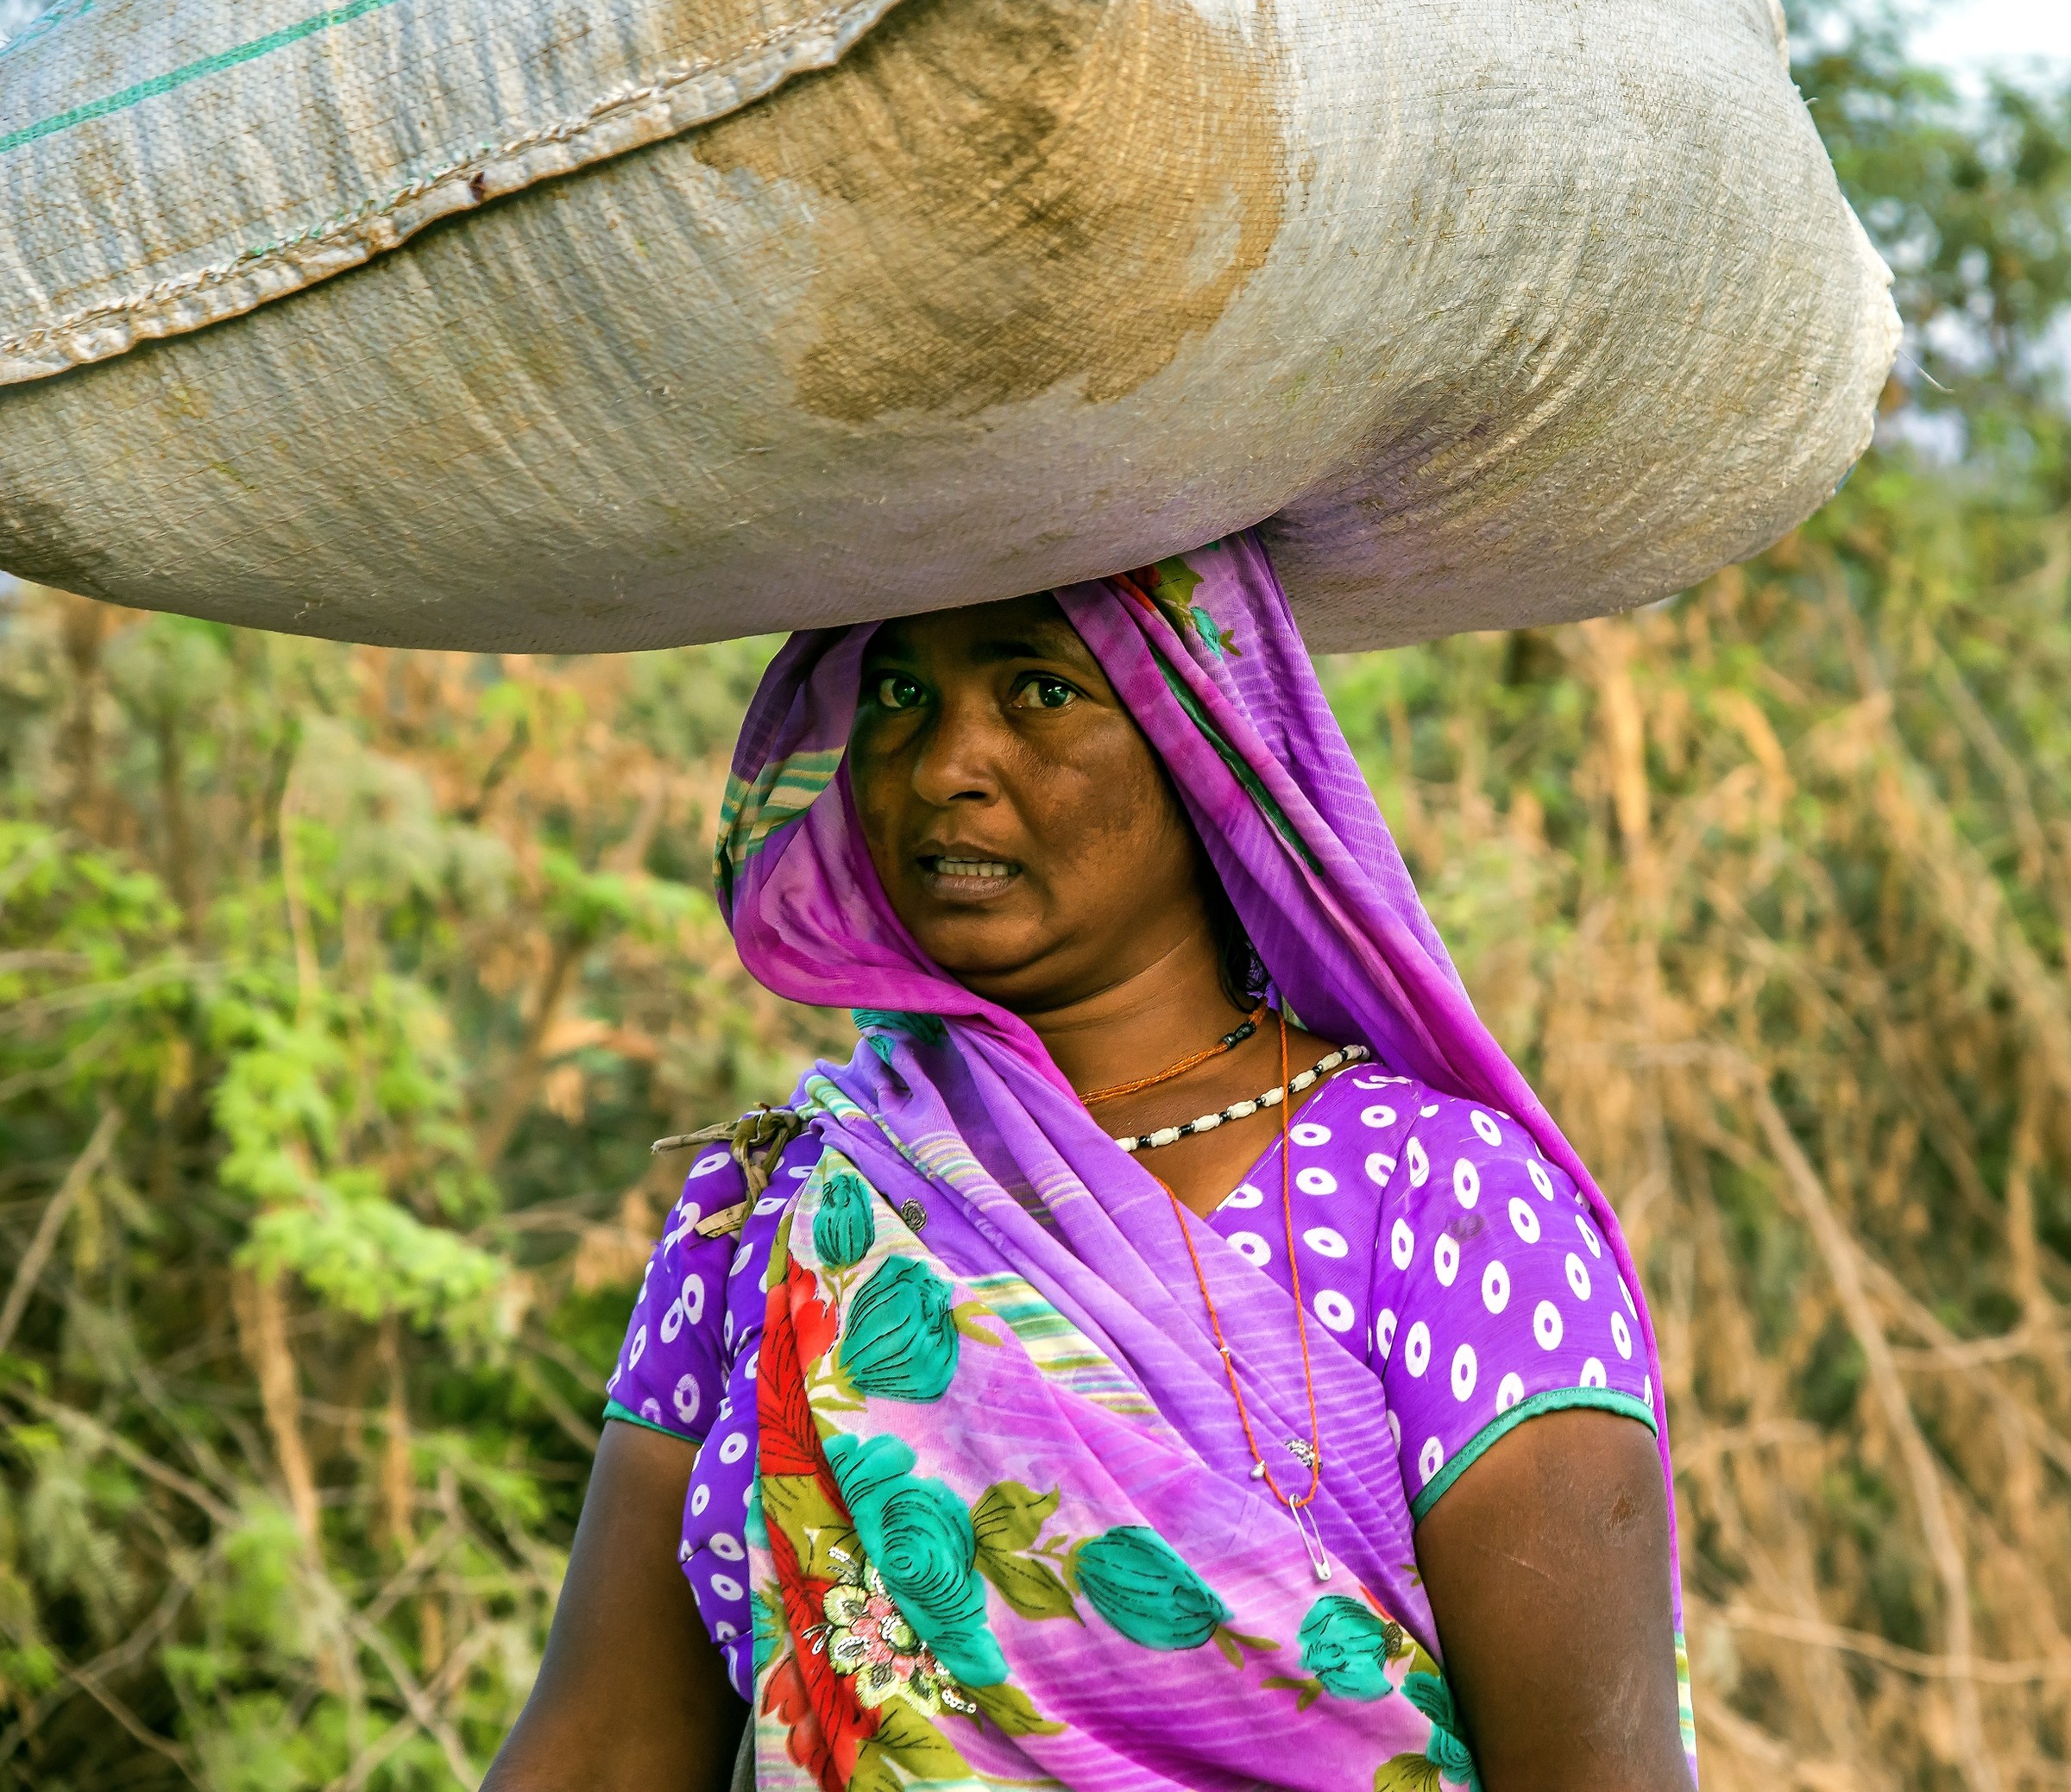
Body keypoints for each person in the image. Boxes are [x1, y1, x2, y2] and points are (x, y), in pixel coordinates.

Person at [483, 532, 1696, 1792]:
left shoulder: (1443, 1203)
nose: (946, 766)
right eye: (898, 694)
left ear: (1207, 742)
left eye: (1042, 691)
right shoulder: (771, 1215)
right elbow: (600, 1750)